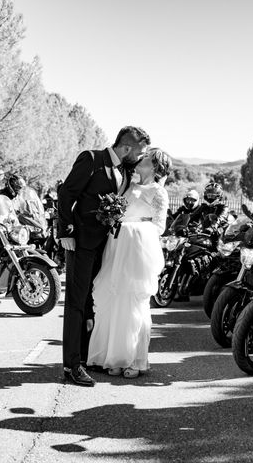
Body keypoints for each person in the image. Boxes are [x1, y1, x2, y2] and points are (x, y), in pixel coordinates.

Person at [58, 126, 150, 386]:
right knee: (76, 304)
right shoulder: (92, 159)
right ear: (127, 148)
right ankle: (71, 366)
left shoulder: (125, 169)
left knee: (91, 301)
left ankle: (86, 358)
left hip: (105, 244)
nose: (141, 156)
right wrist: (65, 231)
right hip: (80, 243)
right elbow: (66, 193)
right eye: (140, 151)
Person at [87, 148, 171, 378]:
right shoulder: (128, 186)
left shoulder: (158, 192)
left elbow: (159, 227)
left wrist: (130, 229)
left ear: (153, 166)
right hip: (117, 248)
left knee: (134, 304)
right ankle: (114, 357)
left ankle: (135, 360)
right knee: (114, 301)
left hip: (136, 251)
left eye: (144, 158)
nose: (138, 160)